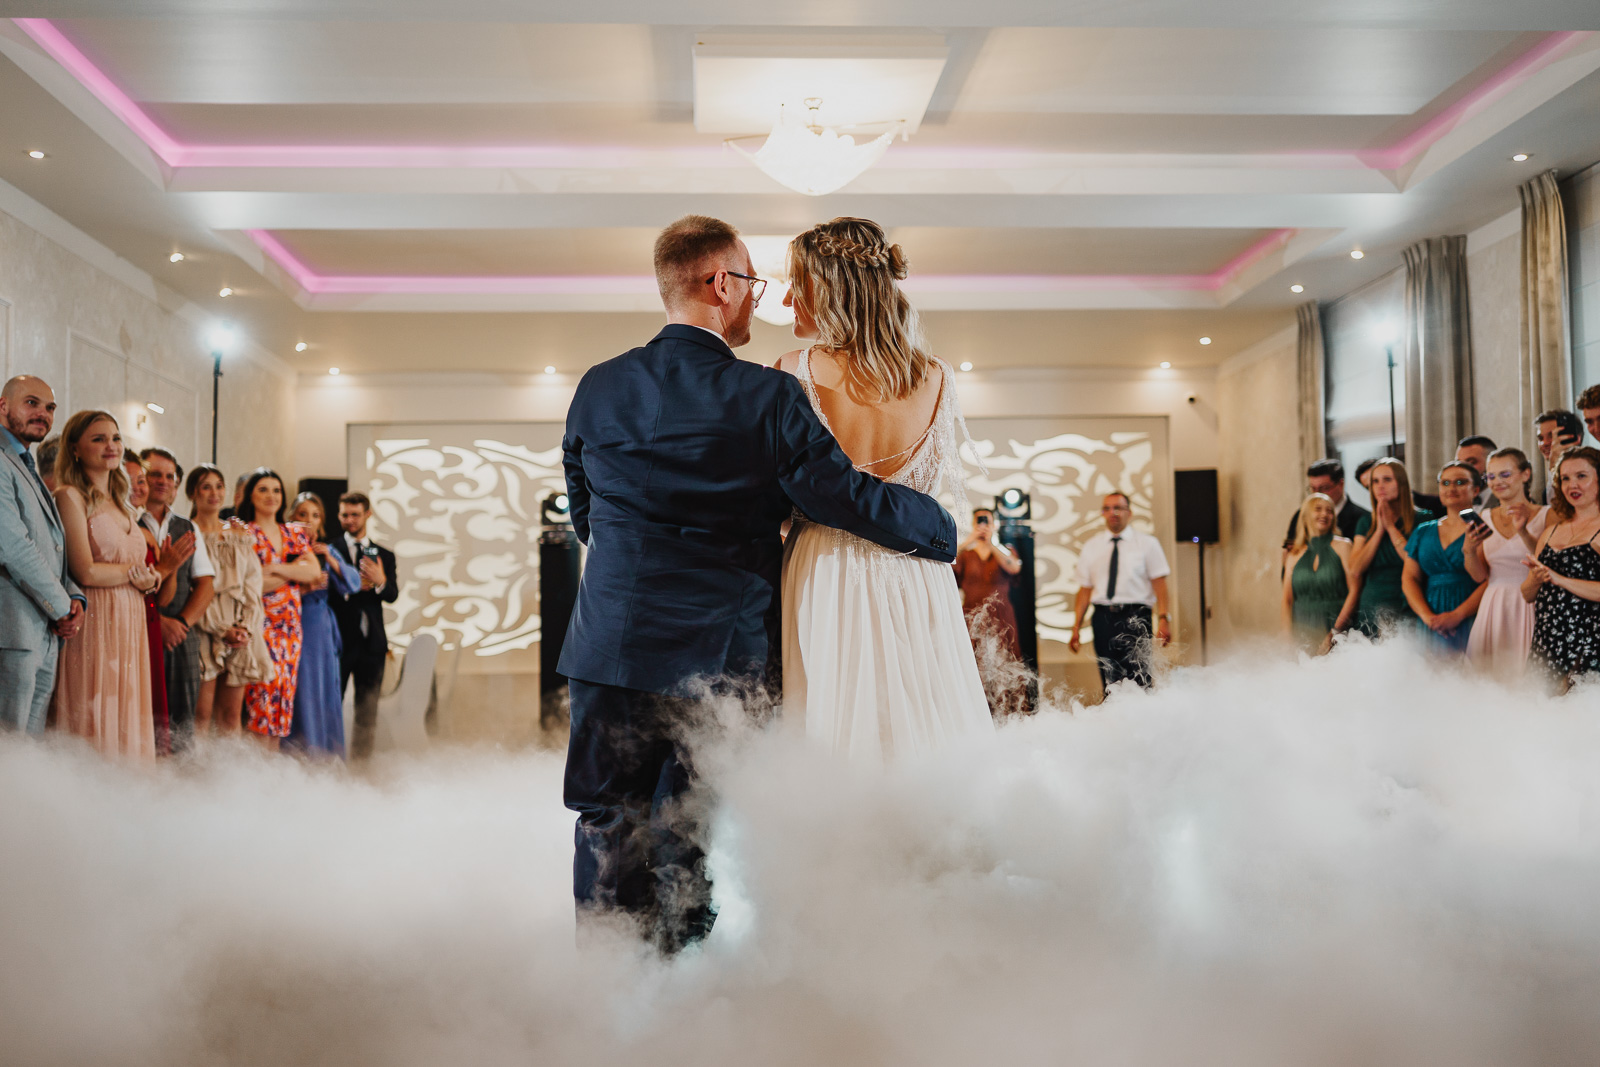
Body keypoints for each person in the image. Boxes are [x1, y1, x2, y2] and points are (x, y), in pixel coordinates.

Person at [559, 214, 957, 952]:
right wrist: (938, 527)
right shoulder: (765, 394)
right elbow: (839, 496)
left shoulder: (599, 385)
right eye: (752, 281)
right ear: (720, 284)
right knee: (686, 829)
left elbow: (586, 515)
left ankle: (604, 981)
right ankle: (680, 986)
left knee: (604, 818)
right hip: (718, 652)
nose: (760, 298)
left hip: (607, 647)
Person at [777, 217, 993, 749]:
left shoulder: (789, 372)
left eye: (796, 285)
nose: (786, 301)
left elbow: (773, 496)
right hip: (914, 567)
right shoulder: (937, 377)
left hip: (823, 568)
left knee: (829, 720)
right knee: (922, 719)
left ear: (829, 289)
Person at [50, 411, 160, 759]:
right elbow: (85, 571)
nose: (111, 446)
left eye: (115, 438)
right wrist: (139, 573)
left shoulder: (124, 504)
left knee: (125, 707)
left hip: (131, 619)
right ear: (75, 449)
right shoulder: (69, 496)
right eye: (98, 439)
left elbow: (136, 567)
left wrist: (152, 578)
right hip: (97, 618)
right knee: (96, 708)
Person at [0, 376, 84, 734]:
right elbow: (13, 546)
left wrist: (75, 596)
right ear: (3, 406)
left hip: (43, 630)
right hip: (11, 629)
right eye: (31, 403)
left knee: (29, 754)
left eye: (50, 408)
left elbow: (52, 545)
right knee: (9, 748)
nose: (43, 414)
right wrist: (62, 606)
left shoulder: (26, 464)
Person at [187, 465, 272, 737]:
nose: (214, 493)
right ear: (192, 493)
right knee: (201, 713)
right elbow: (191, 589)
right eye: (206, 487)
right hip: (204, 628)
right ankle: (197, 762)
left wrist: (245, 627)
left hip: (239, 631)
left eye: (219, 486)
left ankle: (229, 764)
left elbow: (253, 585)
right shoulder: (188, 533)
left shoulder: (239, 535)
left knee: (232, 714)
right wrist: (221, 628)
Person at [239, 468, 320, 750]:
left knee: (281, 706)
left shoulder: (293, 533)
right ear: (251, 495)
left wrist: (274, 568)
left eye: (276, 490)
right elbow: (250, 584)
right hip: (259, 627)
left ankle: (272, 769)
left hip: (291, 630)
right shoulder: (245, 533)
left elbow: (313, 572)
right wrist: (292, 571)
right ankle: (254, 769)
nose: (271, 496)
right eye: (263, 489)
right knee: (261, 703)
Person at [139, 447, 214, 750]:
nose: (163, 481)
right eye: (155, 474)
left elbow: (205, 584)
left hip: (181, 639)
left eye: (170, 476)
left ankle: (181, 777)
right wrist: (159, 623)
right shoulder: (128, 520)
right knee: (143, 717)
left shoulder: (187, 526)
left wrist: (181, 623)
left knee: (182, 726)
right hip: (139, 632)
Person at [1069, 492, 1172, 691]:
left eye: (1118, 508)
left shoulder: (1147, 543)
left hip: (1136, 617)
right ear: (1102, 513)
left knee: (1140, 678)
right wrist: (1076, 627)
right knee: (1109, 680)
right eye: (1107, 508)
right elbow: (1085, 590)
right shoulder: (1092, 546)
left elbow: (1160, 584)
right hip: (1103, 619)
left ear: (1129, 512)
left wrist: (1163, 618)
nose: (1113, 513)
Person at [285, 492, 358, 759]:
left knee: (322, 688)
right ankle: (296, 754)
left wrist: (331, 558)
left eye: (315, 516)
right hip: (291, 622)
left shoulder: (326, 551)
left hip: (321, 629)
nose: (308, 521)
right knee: (299, 689)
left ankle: (323, 754)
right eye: (302, 514)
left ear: (322, 521)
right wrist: (302, 587)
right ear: (292, 517)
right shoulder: (283, 547)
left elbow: (353, 584)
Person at [328, 491, 398, 761]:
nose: (350, 520)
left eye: (355, 514)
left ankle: (362, 766)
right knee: (332, 706)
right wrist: (350, 585)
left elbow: (392, 595)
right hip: (340, 642)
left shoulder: (384, 555)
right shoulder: (330, 550)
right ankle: (331, 762)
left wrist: (380, 581)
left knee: (367, 712)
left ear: (367, 514)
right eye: (344, 515)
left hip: (373, 644)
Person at [1523, 447, 1600, 690]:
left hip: (1589, 640)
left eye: (1581, 476)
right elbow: (1527, 594)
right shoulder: (1551, 531)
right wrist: (1536, 579)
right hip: (1547, 638)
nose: (1571, 485)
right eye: (1565, 478)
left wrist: (1560, 579)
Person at [1464, 447, 1546, 676]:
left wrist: (1524, 533)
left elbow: (1549, 563)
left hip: (1532, 603)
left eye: (1505, 474)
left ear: (1526, 474)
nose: (1497, 482)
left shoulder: (1546, 514)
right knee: (1487, 680)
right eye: (1490, 476)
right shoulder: (1484, 517)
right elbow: (1480, 576)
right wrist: (1469, 550)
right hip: (1494, 604)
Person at [1400, 462, 1488, 654]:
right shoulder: (1423, 531)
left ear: (1476, 490)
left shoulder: (1483, 528)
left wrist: (1457, 615)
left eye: (1460, 482)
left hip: (1472, 612)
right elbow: (1409, 578)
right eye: (1445, 483)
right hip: (1431, 615)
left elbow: (1490, 579)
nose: (1451, 488)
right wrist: (1427, 617)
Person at [1337, 458, 1431, 638]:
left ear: (1401, 483)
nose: (1380, 486)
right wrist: (1379, 530)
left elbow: (1418, 563)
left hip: (1407, 602)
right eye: (1375, 481)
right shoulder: (1366, 522)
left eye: (1387, 479)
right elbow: (1355, 569)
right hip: (1371, 605)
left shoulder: (1424, 519)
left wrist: (1391, 528)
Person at [124, 452, 178, 752]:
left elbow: (161, 597)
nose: (138, 487)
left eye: (141, 480)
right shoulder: (107, 524)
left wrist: (171, 567)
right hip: (123, 618)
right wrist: (164, 568)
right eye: (128, 480)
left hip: (149, 619)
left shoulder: (145, 531)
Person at [953, 507, 1023, 678]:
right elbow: (947, 562)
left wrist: (991, 543)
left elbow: (1014, 567)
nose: (983, 526)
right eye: (979, 521)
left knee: (1004, 659)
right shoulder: (966, 554)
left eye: (987, 522)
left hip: (1001, 614)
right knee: (972, 659)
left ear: (994, 525)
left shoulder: (1004, 550)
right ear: (973, 524)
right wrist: (969, 540)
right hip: (972, 612)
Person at [1281, 493, 1350, 652]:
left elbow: (1355, 591)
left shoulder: (1344, 546)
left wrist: (1335, 632)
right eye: (1318, 509)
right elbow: (1286, 600)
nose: (1324, 514)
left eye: (1329, 511)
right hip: (1301, 629)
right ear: (1305, 515)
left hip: (1336, 627)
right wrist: (1287, 639)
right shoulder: (1294, 554)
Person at [1280, 459, 1368, 554]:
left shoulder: (1362, 518)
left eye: (1324, 488)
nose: (1317, 494)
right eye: (1313, 488)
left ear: (1341, 484)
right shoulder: (1301, 515)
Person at [1455, 435, 1498, 511]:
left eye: (1472, 462)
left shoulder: (1504, 499)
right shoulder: (1452, 500)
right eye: (1459, 464)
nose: (1463, 469)